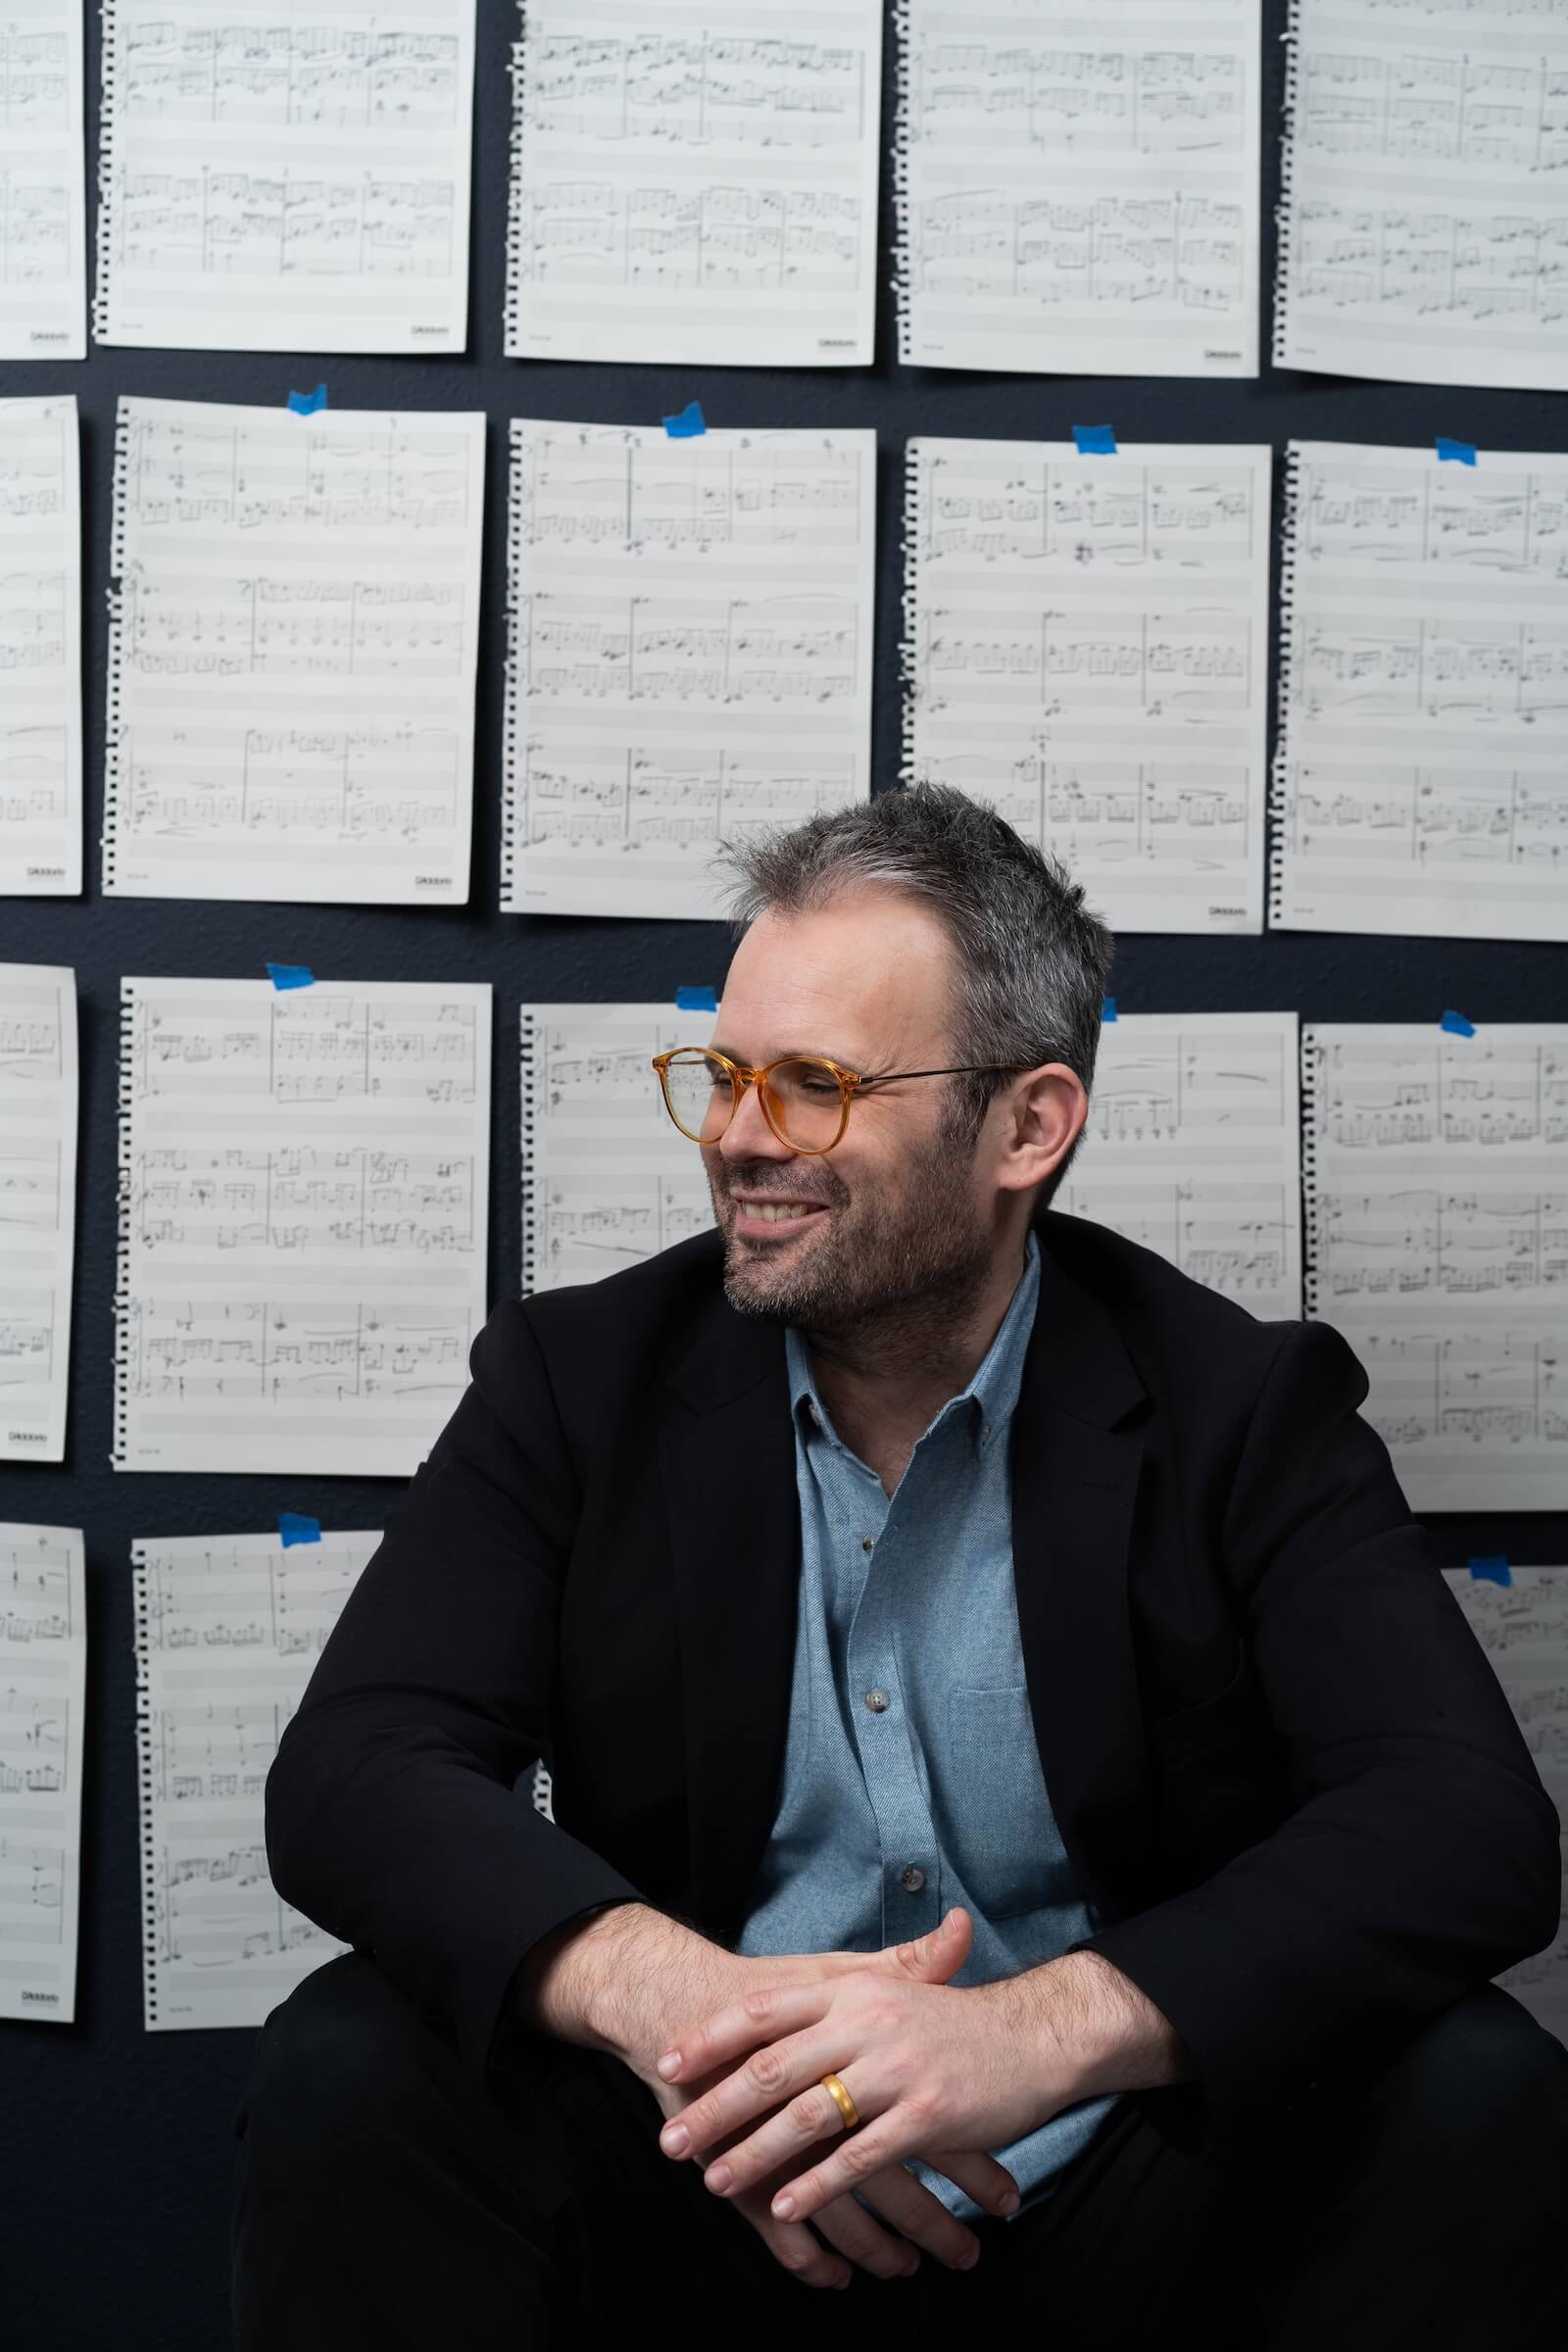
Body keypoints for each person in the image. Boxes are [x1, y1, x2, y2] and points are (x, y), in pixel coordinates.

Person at [233, 785, 1567, 2350]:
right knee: (346, 2064)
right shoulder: (577, 1379)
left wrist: (1032, 2038)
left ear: (1028, 1124)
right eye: (725, 1075)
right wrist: (707, 2026)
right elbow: (353, 1772)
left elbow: (1467, 1825)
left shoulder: (1241, 1409)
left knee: (1476, 2087)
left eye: (813, 1084)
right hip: (704, 2170)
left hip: (1107, 2183)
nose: (739, 1136)